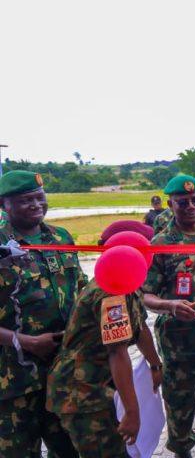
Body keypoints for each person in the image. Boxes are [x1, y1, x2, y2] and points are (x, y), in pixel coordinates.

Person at [46, 222, 163, 457]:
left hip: (96, 386)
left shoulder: (124, 281)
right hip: (82, 392)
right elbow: (117, 353)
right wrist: (132, 412)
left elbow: (140, 329)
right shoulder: (111, 293)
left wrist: (155, 364)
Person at [0, 170, 88, 457]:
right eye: (27, 200)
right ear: (5, 205)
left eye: (40, 197)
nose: (37, 204)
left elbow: (81, 288)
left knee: (70, 450)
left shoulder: (60, 236)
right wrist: (26, 342)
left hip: (63, 372)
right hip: (14, 379)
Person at [141, 175, 195, 458]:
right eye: (183, 202)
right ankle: (182, 451)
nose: (191, 206)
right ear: (170, 204)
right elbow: (146, 294)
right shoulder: (162, 242)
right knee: (179, 405)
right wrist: (170, 305)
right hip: (178, 343)